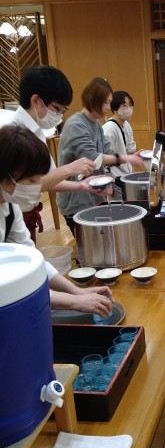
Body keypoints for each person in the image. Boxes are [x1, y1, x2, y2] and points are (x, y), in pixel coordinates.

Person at [0, 125, 113, 316]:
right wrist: (74, 301)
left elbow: (32, 259)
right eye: (32, 181)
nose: (39, 188)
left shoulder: (10, 205)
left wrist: (76, 291)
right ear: (6, 176)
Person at [0, 65, 98, 241]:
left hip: (21, 216)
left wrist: (81, 186)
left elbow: (47, 180)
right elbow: (32, 184)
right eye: (57, 109)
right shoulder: (13, 136)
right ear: (36, 101)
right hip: (11, 214)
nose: (59, 115)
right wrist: (71, 169)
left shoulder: (36, 131)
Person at [57, 77, 143, 234]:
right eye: (106, 102)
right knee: (90, 246)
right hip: (76, 201)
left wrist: (129, 157)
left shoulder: (96, 124)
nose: (109, 107)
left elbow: (107, 151)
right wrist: (125, 158)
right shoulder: (76, 125)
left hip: (94, 196)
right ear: (93, 100)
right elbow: (92, 158)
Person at [102, 90, 137, 199]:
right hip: (115, 179)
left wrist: (133, 172)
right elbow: (104, 159)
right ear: (115, 108)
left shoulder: (126, 125)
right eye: (124, 105)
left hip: (127, 176)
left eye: (130, 105)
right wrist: (108, 184)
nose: (129, 109)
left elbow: (130, 150)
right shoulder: (108, 129)